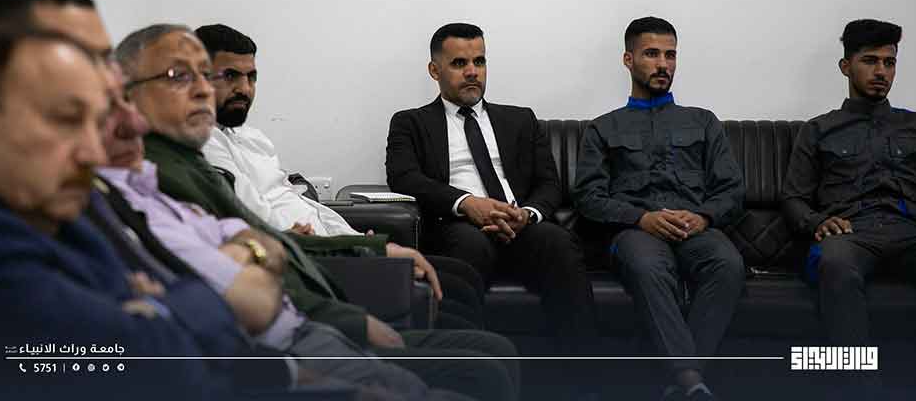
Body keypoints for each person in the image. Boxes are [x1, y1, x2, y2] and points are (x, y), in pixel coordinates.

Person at [117, 23, 519, 401]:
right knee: (481, 358)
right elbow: (255, 248)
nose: (208, 90)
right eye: (181, 77)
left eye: (210, 77)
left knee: (482, 330)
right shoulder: (169, 170)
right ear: (124, 94)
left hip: (311, 297)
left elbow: (285, 215)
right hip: (304, 311)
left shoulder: (230, 146)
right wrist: (357, 262)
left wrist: (362, 243)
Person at [0, 29, 242, 400]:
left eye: (96, 123)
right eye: (66, 120)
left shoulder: (54, 209)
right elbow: (164, 368)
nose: (94, 154)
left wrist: (151, 310)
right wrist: (161, 309)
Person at [195, 22, 485, 329]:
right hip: (308, 260)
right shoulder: (204, 146)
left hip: (333, 248)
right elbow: (256, 218)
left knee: (461, 277)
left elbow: (302, 204)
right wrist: (357, 249)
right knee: (456, 292)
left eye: (251, 77)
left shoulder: (253, 139)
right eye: (230, 76)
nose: (244, 88)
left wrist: (356, 240)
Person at [385, 22, 597, 345]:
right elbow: (404, 177)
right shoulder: (410, 122)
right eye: (459, 63)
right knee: (470, 245)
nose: (472, 72)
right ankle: (468, 362)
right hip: (456, 225)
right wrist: (467, 203)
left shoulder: (520, 119)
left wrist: (527, 214)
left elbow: (549, 183)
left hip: (519, 225)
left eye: (479, 61)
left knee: (559, 242)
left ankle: (584, 367)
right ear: (434, 70)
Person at [571, 16, 745, 400]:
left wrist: (703, 217)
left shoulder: (703, 122)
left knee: (728, 264)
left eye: (670, 55)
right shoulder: (603, 128)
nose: (663, 64)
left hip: (696, 227)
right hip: (636, 231)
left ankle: (679, 384)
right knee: (649, 267)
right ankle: (689, 381)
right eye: (651, 54)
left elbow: (732, 189)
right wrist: (641, 218)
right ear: (628, 59)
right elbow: (587, 197)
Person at [781, 19, 916, 346]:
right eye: (870, 61)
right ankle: (856, 375)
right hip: (850, 233)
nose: (881, 72)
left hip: (911, 229)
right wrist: (818, 222)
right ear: (846, 67)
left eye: (889, 63)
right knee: (835, 264)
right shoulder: (819, 129)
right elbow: (793, 198)